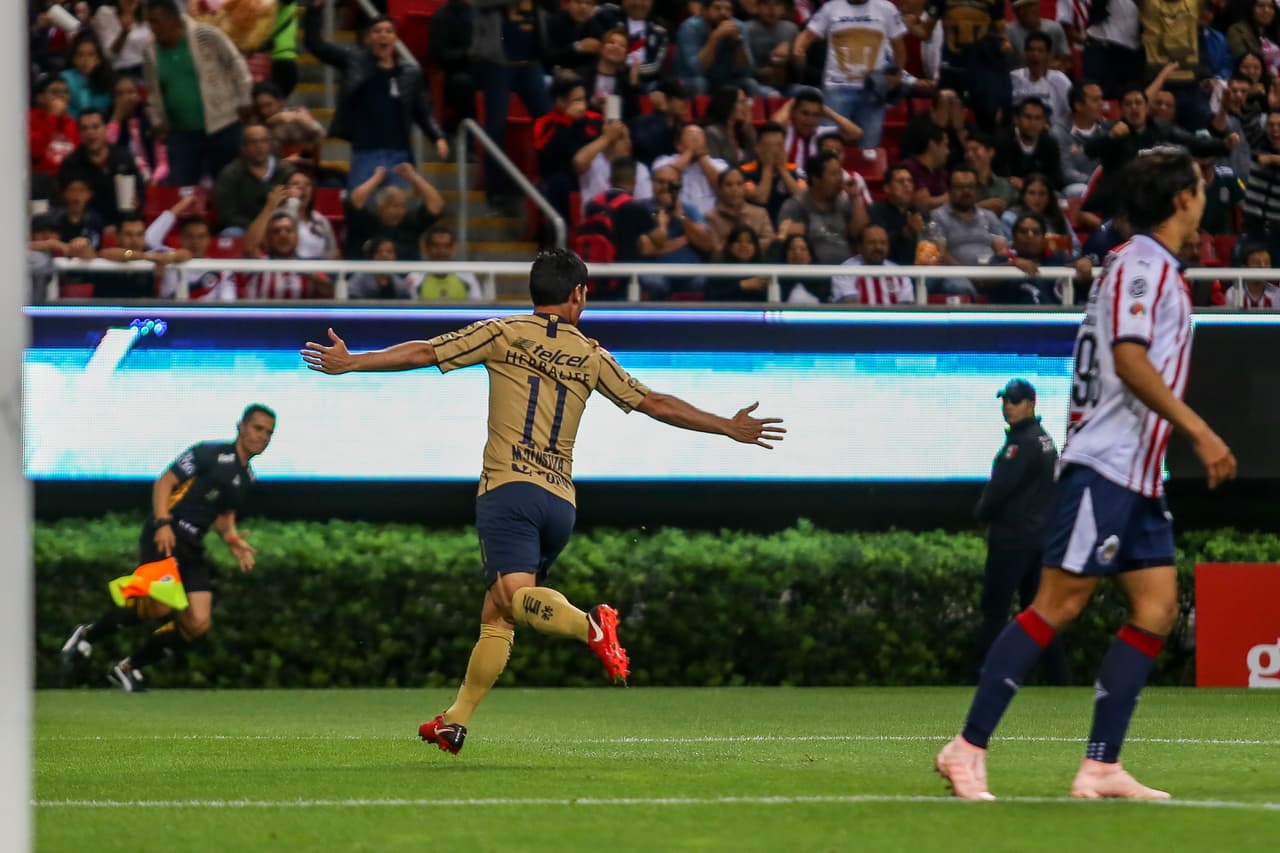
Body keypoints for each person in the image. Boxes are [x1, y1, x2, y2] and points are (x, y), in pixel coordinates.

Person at [300, 249, 786, 753]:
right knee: (499, 612)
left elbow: (425, 351)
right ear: (578, 294)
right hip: (560, 503)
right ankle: (454, 720)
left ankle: (589, 624)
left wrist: (354, 362)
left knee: (514, 598)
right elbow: (655, 404)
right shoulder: (593, 356)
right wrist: (727, 426)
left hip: (508, 490)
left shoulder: (501, 331)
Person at [935, 147, 1238, 801]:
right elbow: (1129, 358)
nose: (1207, 194)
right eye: (1200, 185)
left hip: (1138, 474)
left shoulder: (1150, 267)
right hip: (1105, 465)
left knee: (1156, 607)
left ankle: (1101, 764)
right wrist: (1199, 428)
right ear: (1182, 198)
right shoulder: (1141, 265)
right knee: (1058, 604)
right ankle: (967, 747)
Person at [60, 404, 277, 692]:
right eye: (258, 428)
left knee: (198, 622)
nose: (262, 436)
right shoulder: (208, 454)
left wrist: (232, 540)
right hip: (166, 534)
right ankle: (88, 633)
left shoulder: (247, 478)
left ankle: (128, 667)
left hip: (192, 546)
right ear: (241, 427)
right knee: (159, 605)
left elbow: (223, 517)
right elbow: (165, 482)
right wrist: (162, 522)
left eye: (269, 432)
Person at [974, 378, 1069, 685]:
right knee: (1039, 613)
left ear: (1031, 403)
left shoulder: (1020, 445)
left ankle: (984, 676)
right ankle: (1058, 678)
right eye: (1004, 401)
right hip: (1038, 538)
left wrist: (980, 514)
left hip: (1012, 539)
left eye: (1014, 401)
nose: (1007, 407)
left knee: (994, 610)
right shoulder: (1044, 439)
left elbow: (999, 491)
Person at [302, 0, 448, 191]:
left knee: (396, 213)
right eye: (377, 31)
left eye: (388, 31)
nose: (383, 36)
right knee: (363, 211)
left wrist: (437, 137)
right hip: (365, 153)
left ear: (396, 39)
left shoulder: (410, 73)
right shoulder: (353, 61)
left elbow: (421, 110)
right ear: (368, 38)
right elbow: (316, 45)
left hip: (400, 156)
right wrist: (314, 9)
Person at [144, 0, 253, 186]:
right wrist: (157, 121)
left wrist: (245, 99)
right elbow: (153, 92)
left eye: (156, 21)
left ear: (174, 19)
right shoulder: (151, 51)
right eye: (150, 22)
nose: (152, 28)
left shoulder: (207, 35)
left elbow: (237, 64)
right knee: (182, 189)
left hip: (222, 125)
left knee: (226, 185)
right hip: (181, 133)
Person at [792, 0, 907, 149]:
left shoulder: (886, 9)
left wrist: (896, 75)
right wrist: (798, 49)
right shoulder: (831, 8)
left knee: (869, 147)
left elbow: (899, 47)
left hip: (873, 90)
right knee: (828, 143)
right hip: (837, 86)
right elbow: (808, 35)